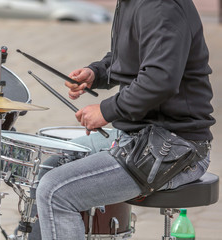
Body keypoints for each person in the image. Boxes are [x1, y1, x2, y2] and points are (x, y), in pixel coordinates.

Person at [32, 0, 215, 239]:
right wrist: (96, 73)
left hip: (176, 147)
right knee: (49, 165)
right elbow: (130, 57)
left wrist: (106, 111)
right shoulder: (132, 3)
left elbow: (159, 80)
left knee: (55, 191)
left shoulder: (161, 6)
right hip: (139, 136)